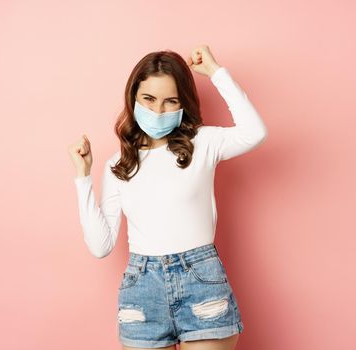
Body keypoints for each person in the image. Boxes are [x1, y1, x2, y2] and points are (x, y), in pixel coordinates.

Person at [67, 45, 267, 350]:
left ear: (183, 104)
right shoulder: (117, 165)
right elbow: (100, 246)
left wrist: (215, 72)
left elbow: (254, 132)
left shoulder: (202, 143)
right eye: (148, 99)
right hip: (142, 288)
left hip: (201, 282)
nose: (158, 111)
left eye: (170, 101)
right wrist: (83, 176)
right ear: (133, 97)